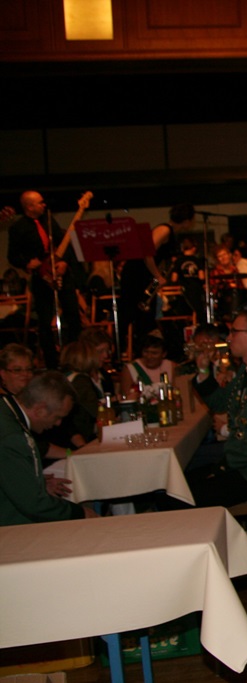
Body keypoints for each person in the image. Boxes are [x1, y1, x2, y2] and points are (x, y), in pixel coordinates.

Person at [167, 310, 247, 508]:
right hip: (244, 463)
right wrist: (203, 369)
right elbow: (220, 403)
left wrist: (222, 467)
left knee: (178, 497)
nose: (228, 338)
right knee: (173, 486)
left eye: (234, 332)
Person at [0, 371, 98, 525]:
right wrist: (80, 513)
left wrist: (36, 483)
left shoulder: (6, 409)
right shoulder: (13, 437)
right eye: (57, 417)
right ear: (40, 409)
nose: (58, 424)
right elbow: (34, 504)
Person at [6, 190, 86, 368]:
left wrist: (64, 262)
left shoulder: (49, 221)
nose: (44, 205)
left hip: (61, 272)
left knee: (73, 316)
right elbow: (12, 256)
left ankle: (75, 357)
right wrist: (27, 262)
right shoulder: (18, 227)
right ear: (29, 207)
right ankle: (51, 362)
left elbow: (63, 243)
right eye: (40, 202)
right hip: (41, 276)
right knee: (44, 321)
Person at [118, 204, 193, 350]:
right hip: (137, 274)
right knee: (132, 312)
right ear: (186, 220)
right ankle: (125, 347)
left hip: (144, 274)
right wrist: (158, 276)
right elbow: (147, 252)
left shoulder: (170, 232)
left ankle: (143, 348)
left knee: (144, 313)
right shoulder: (165, 229)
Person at [119, 335, 175, 403]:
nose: (149, 356)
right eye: (146, 352)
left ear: (164, 354)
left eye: (154, 353)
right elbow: (125, 398)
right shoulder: (130, 369)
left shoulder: (172, 366)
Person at [169, 237, 207, 321]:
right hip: (197, 289)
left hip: (185, 290)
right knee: (199, 309)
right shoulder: (197, 260)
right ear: (194, 248)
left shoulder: (178, 261)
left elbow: (174, 278)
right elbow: (202, 276)